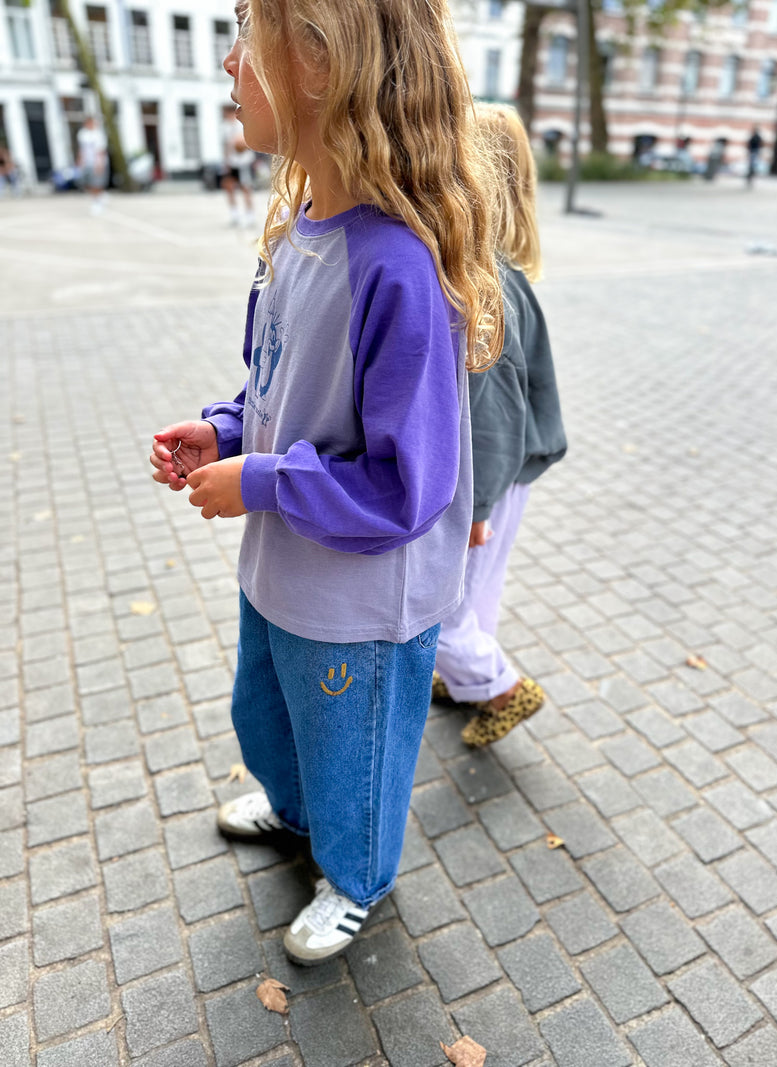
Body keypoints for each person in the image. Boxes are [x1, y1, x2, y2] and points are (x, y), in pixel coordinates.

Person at [149, 0, 502, 966]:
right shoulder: (298, 229)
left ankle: (354, 875)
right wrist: (223, 428)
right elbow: (278, 385)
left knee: (357, 752)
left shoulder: (397, 267)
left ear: (318, 63)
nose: (228, 62)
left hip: (360, 599)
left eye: (245, 35)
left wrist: (260, 481)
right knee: (267, 709)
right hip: (285, 569)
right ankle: (295, 807)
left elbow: (405, 485)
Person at [432, 103, 567, 748]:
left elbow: (487, 412)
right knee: (478, 596)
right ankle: (467, 681)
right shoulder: (503, 272)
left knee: (445, 616)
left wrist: (476, 507)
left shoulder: (478, 282)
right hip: (514, 468)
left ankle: (502, 688)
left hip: (490, 476)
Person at [221, 103, 256, 227]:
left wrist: (239, 145)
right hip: (232, 163)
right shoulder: (225, 127)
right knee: (228, 187)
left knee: (246, 189)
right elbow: (226, 147)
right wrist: (226, 162)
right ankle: (234, 214)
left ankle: (250, 215)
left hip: (243, 162)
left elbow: (244, 144)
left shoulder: (240, 125)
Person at [77, 115, 108, 214]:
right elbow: (81, 149)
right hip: (87, 163)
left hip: (97, 162)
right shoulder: (82, 134)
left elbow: (101, 151)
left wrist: (100, 164)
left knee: (97, 183)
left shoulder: (98, 134)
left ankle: (97, 202)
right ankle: (98, 198)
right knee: (88, 183)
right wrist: (80, 161)